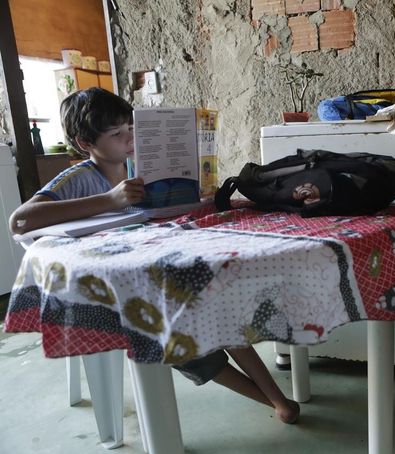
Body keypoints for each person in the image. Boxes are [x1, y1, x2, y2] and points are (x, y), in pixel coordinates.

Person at [9, 87, 299, 424]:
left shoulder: (139, 166)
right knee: (178, 333)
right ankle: (271, 401)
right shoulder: (80, 177)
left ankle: (278, 399)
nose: (129, 139)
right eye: (117, 134)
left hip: (154, 272)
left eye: (131, 130)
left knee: (209, 305)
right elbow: (20, 220)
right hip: (113, 292)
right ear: (85, 144)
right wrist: (109, 200)